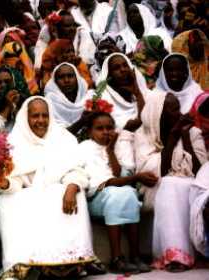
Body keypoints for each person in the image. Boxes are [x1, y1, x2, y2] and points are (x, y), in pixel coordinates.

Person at [0, 96, 96, 277]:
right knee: (6, 202)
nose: (41, 121)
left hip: (59, 190)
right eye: (35, 116)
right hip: (28, 194)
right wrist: (4, 183)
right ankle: (21, 265)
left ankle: (70, 262)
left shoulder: (64, 138)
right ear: (25, 118)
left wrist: (72, 187)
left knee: (74, 195)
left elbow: (77, 170)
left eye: (45, 115)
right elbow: (15, 181)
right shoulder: (14, 142)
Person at [134, 92, 208, 271]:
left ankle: (188, 253)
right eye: (173, 109)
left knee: (186, 187)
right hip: (156, 186)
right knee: (170, 184)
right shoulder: (144, 135)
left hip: (191, 181)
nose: (179, 113)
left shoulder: (192, 132)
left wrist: (185, 138)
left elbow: (202, 171)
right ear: (158, 112)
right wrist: (172, 138)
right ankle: (174, 255)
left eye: (178, 108)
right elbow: (156, 172)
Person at [80, 112, 155, 274]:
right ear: (89, 132)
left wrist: (111, 150)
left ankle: (135, 255)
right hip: (97, 200)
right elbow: (106, 182)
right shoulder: (85, 148)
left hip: (118, 193)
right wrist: (136, 177)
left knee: (128, 193)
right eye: (99, 128)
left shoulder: (119, 145)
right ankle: (116, 258)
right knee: (117, 194)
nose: (106, 132)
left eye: (109, 127)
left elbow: (121, 176)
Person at [88, 53, 147, 132]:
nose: (123, 70)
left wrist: (137, 93)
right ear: (109, 75)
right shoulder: (104, 98)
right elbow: (136, 123)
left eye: (125, 65)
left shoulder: (146, 93)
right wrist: (138, 94)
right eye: (116, 68)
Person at [44, 62, 89, 135]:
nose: (66, 80)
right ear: (55, 81)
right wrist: (81, 122)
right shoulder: (50, 101)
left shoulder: (90, 98)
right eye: (61, 77)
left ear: (77, 78)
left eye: (70, 76)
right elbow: (57, 134)